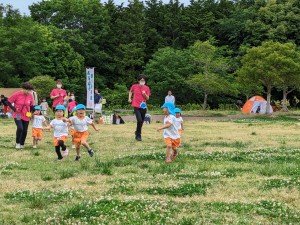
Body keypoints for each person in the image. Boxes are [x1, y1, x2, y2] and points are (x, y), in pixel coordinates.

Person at [8, 82, 34, 149]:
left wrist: (30, 113)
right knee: (20, 128)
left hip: (26, 115)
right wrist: (14, 108)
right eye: (28, 90)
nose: (29, 92)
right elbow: (8, 102)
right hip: (18, 114)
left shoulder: (30, 95)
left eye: (30, 90)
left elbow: (31, 106)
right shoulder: (17, 94)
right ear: (23, 89)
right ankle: (17, 143)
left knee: (25, 130)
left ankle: (22, 143)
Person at [128, 74, 151, 141]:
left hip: (143, 106)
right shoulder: (134, 86)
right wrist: (129, 98)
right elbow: (130, 92)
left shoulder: (147, 88)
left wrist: (145, 94)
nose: (142, 81)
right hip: (136, 105)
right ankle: (138, 135)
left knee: (141, 121)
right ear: (139, 80)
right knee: (139, 120)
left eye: (144, 80)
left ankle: (137, 132)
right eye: (141, 80)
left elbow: (148, 98)